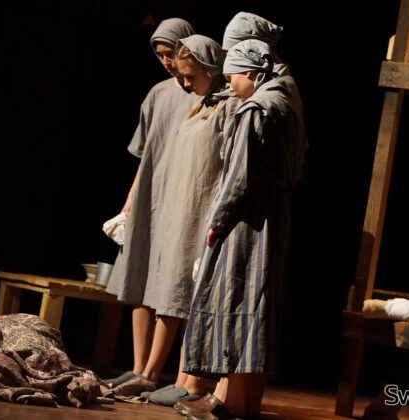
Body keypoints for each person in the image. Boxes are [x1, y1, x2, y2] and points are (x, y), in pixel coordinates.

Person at [178, 39, 307, 420]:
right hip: (273, 217)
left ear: (250, 72)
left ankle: (233, 404)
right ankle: (246, 403)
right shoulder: (284, 103)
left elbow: (238, 176)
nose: (230, 85)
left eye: (232, 76)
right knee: (256, 305)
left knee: (238, 304)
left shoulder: (257, 109)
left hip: (249, 221)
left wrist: (217, 221)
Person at [113, 35, 242, 403]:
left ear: (210, 69)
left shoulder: (230, 106)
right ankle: (167, 376)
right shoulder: (201, 102)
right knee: (170, 289)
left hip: (202, 210)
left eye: (190, 76)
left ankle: (183, 379)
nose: (184, 83)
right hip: (179, 206)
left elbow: (227, 164)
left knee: (184, 294)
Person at [104, 18, 195, 389]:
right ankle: (138, 368)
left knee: (169, 283)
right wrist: (130, 200)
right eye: (160, 55)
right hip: (151, 194)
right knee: (139, 275)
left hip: (183, 195)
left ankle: (153, 373)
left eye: (171, 53)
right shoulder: (157, 94)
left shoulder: (206, 91)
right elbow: (147, 154)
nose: (166, 61)